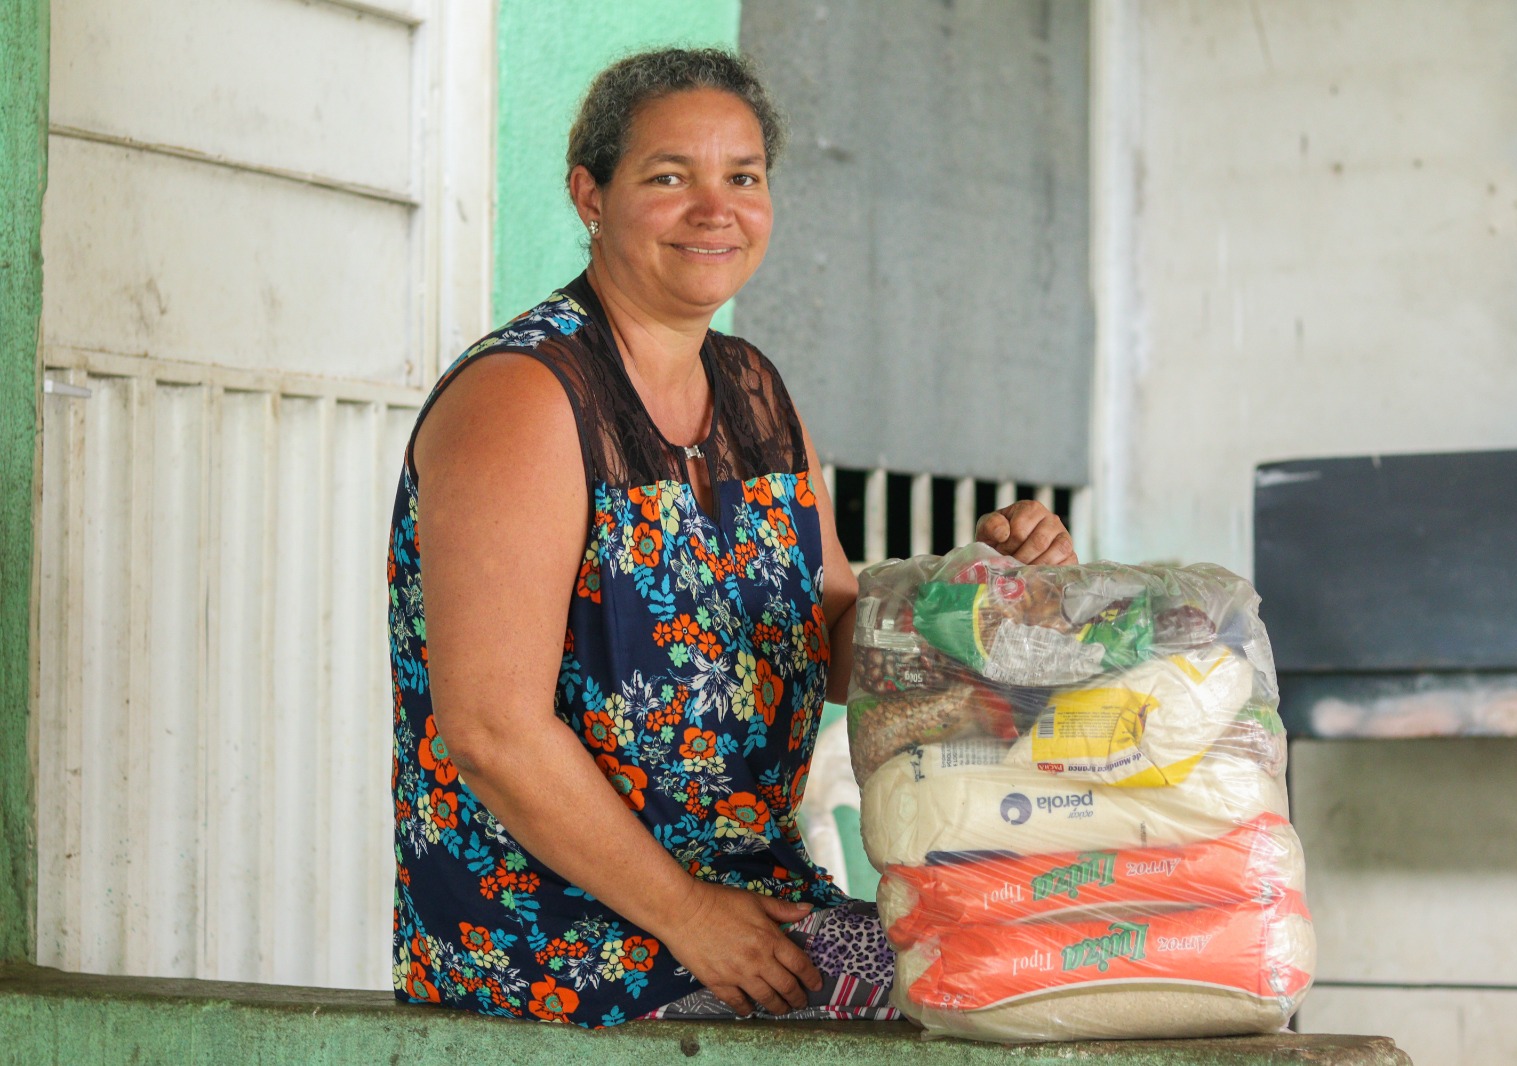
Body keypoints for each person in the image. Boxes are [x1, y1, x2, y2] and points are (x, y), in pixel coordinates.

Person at [387, 47, 1076, 1028]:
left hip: (749, 895)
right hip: (567, 932)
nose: (717, 209)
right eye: (670, 177)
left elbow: (836, 640)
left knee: (1047, 958)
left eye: (742, 177)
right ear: (592, 193)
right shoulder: (526, 396)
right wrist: (690, 916)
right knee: (968, 1005)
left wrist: (977, 599)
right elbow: (494, 731)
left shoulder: (754, 392)